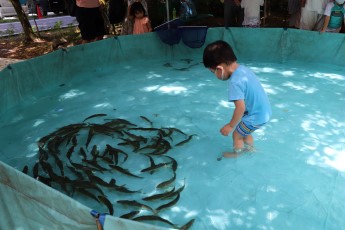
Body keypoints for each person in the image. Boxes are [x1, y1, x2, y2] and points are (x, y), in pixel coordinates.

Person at [203, 40, 272, 158]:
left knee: (237, 134)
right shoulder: (244, 70)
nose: (215, 75)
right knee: (245, 131)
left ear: (220, 69)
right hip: (264, 112)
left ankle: (237, 155)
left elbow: (240, 107)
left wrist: (230, 126)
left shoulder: (235, 82)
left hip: (255, 116)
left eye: (212, 72)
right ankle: (250, 149)